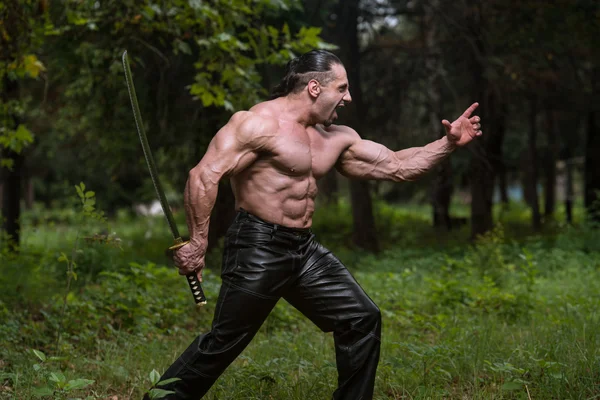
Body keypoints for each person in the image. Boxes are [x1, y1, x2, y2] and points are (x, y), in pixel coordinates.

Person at [150, 49, 482, 399]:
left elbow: (398, 166)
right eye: (342, 88)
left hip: (303, 249)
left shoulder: (336, 137)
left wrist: (448, 143)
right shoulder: (257, 124)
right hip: (257, 245)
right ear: (313, 88)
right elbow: (203, 176)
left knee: (362, 318)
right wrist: (198, 243)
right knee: (224, 341)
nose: (348, 97)